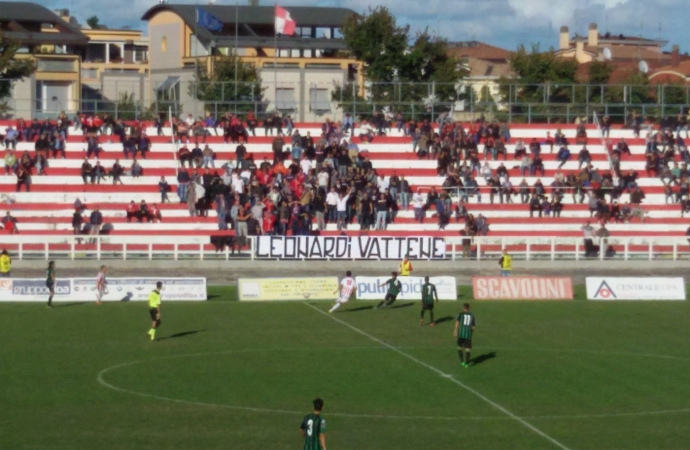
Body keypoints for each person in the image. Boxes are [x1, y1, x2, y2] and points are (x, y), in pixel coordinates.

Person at [453, 303, 476, 368]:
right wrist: (470, 331)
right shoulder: (472, 316)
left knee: (459, 347)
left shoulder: (460, 314)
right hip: (468, 335)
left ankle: (462, 361)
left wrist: (455, 330)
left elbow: (457, 322)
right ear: (469, 308)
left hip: (461, 334)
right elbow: (474, 327)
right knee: (468, 349)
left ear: (463, 308)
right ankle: (467, 363)